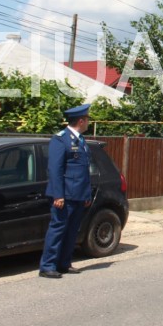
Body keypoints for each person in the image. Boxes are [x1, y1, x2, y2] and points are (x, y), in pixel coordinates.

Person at [39, 104, 93, 279]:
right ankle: (47, 266)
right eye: (87, 120)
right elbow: (55, 169)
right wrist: (58, 195)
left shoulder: (81, 140)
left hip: (78, 195)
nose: (88, 123)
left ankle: (64, 263)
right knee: (57, 229)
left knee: (72, 231)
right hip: (65, 195)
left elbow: (83, 170)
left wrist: (86, 195)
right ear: (80, 121)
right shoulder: (60, 139)